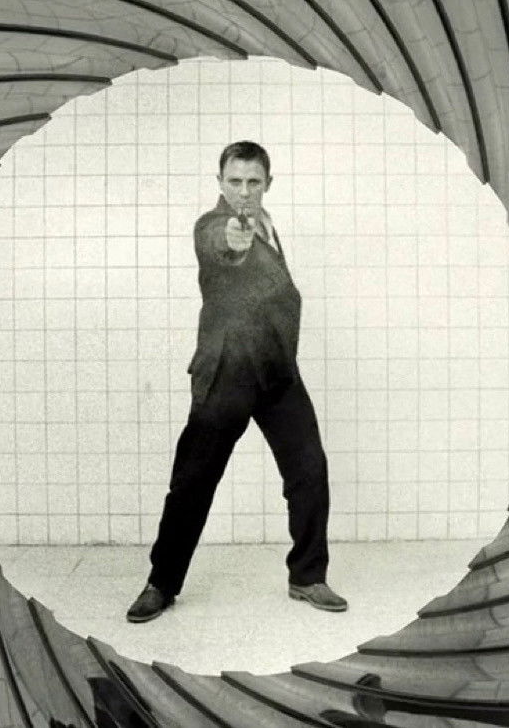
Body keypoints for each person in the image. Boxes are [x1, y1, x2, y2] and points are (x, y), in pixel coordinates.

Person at [126, 141, 347, 623]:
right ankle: (161, 583)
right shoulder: (213, 225)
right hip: (228, 372)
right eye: (234, 182)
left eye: (253, 182)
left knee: (309, 470)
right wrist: (233, 239)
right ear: (220, 183)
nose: (244, 192)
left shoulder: (269, 224)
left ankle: (308, 576)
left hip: (278, 372)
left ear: (268, 183)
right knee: (193, 482)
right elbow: (221, 246)